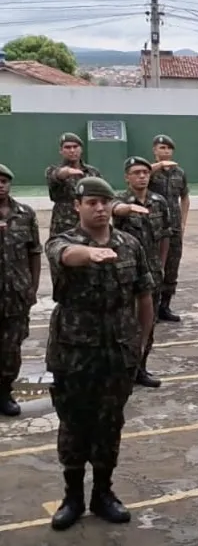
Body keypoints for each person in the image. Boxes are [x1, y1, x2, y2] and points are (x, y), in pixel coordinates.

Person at [44, 177, 155, 531]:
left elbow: (144, 296)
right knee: (74, 423)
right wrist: (91, 253)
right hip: (73, 352)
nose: (100, 208)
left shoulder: (130, 245)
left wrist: (141, 344)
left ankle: (103, 493)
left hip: (117, 352)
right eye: (91, 202)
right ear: (77, 206)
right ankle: (73, 496)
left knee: (110, 424)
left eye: (104, 201)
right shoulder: (63, 240)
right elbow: (66, 255)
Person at [111, 157, 171, 389]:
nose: (142, 176)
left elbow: (165, 235)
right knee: (123, 322)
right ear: (127, 177)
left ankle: (140, 368)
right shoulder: (118, 200)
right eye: (136, 173)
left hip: (152, 271)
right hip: (125, 272)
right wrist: (126, 209)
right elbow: (114, 209)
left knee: (148, 322)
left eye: (145, 172)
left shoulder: (159, 202)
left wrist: (162, 265)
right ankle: (121, 369)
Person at [0, 163, 41, 417]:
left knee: (11, 348)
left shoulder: (25, 214)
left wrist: (32, 287)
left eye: (4, 181)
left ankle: (4, 393)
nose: (0, 186)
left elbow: (34, 252)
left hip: (16, 295)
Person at [148, 134, 190, 322]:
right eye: (161, 148)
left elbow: (185, 197)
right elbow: (141, 175)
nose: (165, 152)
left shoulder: (179, 173)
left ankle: (164, 306)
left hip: (174, 227)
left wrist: (183, 221)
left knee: (172, 267)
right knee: (154, 267)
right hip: (154, 228)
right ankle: (151, 308)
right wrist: (158, 166)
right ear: (154, 150)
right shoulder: (148, 171)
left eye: (168, 148)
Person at [44, 133, 102, 237]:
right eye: (67, 147)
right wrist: (66, 172)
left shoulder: (93, 172)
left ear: (81, 149)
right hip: (64, 226)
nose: (72, 150)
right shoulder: (52, 170)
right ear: (61, 151)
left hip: (88, 223)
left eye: (75, 147)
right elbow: (56, 176)